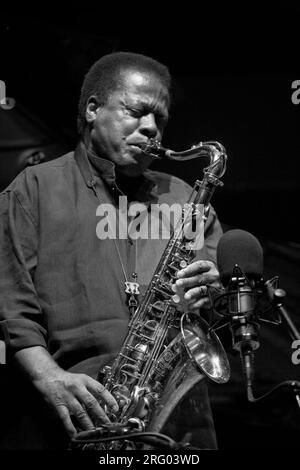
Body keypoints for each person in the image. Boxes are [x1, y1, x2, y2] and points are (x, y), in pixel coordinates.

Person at [0, 51, 223, 450]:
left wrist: (210, 289)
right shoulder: (33, 189)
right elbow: (10, 306)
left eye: (161, 119)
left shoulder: (186, 198)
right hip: (71, 420)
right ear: (92, 109)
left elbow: (213, 300)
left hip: (174, 431)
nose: (152, 128)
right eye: (137, 111)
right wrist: (48, 377)